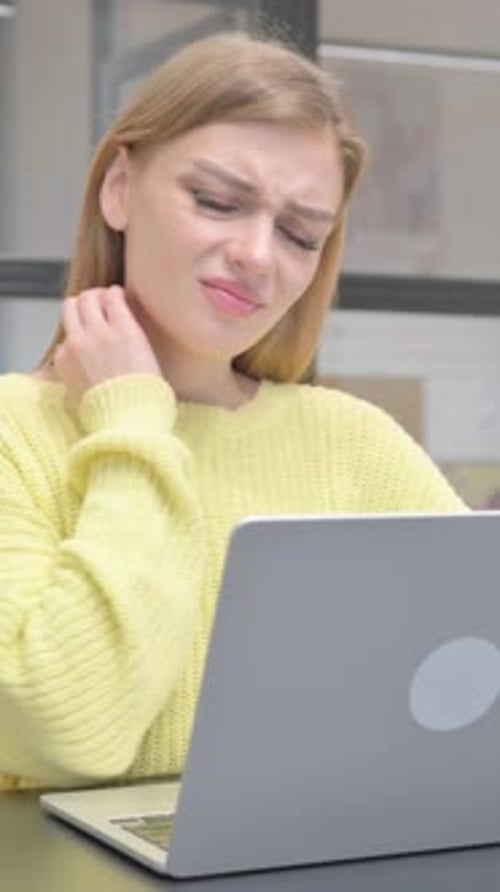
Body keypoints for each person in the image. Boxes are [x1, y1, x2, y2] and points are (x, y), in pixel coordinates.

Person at [0, 32, 465, 792]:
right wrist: (131, 428)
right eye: (218, 201)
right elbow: (62, 730)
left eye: (299, 233)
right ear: (119, 189)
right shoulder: (13, 436)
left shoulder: (351, 442)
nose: (258, 254)